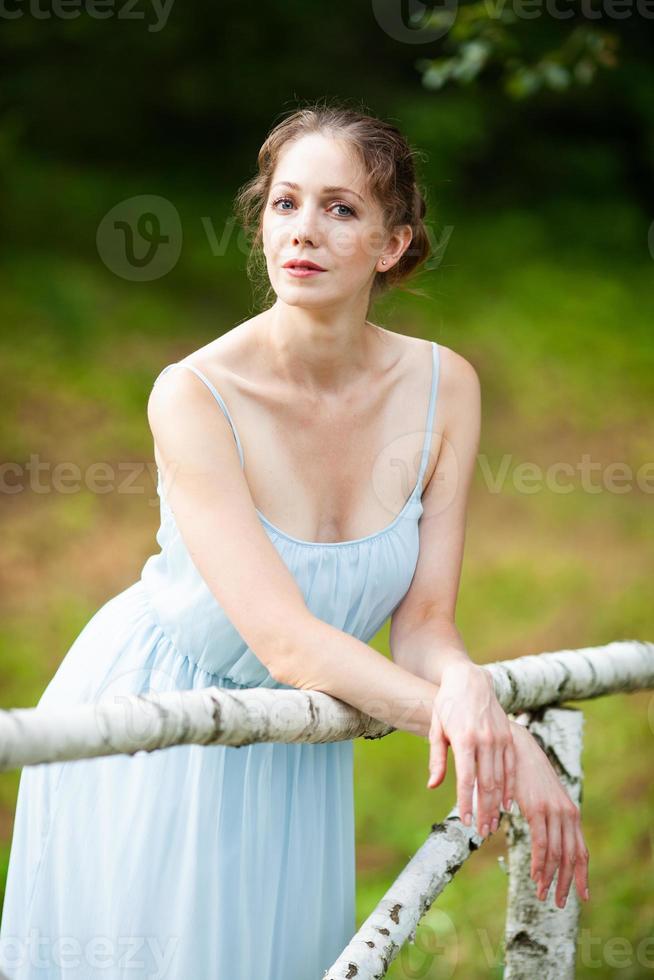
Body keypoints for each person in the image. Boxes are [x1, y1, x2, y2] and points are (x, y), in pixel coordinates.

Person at [0, 102, 589, 980]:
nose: (302, 232)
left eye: (341, 208)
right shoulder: (194, 393)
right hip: (166, 727)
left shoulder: (444, 390)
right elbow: (280, 639)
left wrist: (467, 683)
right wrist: (490, 735)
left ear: (393, 244)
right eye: (285, 203)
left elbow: (426, 621)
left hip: (304, 745)